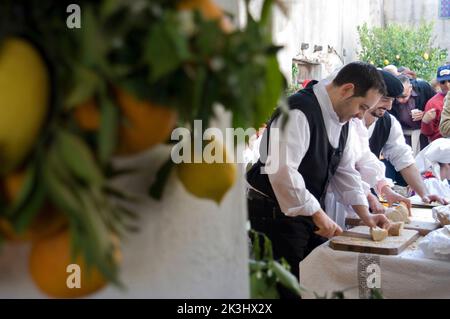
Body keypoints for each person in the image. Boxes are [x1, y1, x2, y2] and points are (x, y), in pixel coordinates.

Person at [246, 62, 390, 298]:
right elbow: (282, 171)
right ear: (346, 89)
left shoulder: (342, 118)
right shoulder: (298, 110)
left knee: (311, 285)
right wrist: (318, 213)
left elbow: (344, 170)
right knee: (284, 290)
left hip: (302, 215)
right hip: (272, 215)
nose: (360, 116)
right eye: (362, 106)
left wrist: (367, 215)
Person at [325, 71, 411, 228]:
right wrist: (368, 196)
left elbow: (361, 160)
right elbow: (342, 170)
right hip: (321, 199)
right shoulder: (312, 113)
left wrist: (383, 189)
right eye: (385, 99)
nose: (389, 106)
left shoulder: (355, 120)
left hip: (347, 197)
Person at [364, 72, 447, 206]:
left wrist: (424, 194)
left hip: (362, 193)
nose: (390, 106)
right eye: (385, 99)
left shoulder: (389, 122)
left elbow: (404, 159)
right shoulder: (348, 119)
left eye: (392, 100)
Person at [390, 75, 436, 156]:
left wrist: (425, 113)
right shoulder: (390, 97)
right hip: (404, 135)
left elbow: (437, 105)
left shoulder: (423, 88)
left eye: (404, 96)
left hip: (425, 134)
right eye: (397, 97)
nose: (400, 100)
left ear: (410, 87)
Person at [421, 65, 450, 142]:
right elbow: (427, 133)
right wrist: (426, 121)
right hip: (441, 146)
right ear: (439, 83)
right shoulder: (432, 103)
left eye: (449, 81)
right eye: (443, 82)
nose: (447, 85)